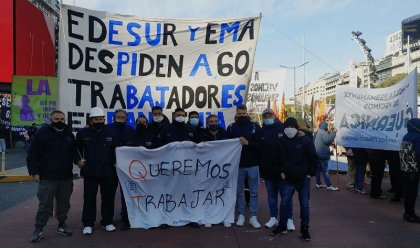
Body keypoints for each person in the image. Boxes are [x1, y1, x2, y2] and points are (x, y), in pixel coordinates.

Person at [27, 110, 76, 242]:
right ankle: (39, 228)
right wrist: (34, 172)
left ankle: (62, 224)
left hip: (66, 176)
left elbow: (74, 153)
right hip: (47, 177)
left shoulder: (69, 134)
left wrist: (79, 161)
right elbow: (32, 154)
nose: (60, 121)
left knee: (64, 204)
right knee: (44, 204)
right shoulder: (42, 133)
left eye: (62, 119)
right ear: (51, 120)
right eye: (56, 119)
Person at [271, 117, 319, 241]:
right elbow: (275, 159)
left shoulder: (305, 140)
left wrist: (310, 174)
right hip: (287, 179)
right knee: (284, 203)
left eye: (292, 127)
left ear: (296, 128)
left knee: (305, 205)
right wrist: (280, 172)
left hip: (303, 179)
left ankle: (304, 229)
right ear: (284, 128)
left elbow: (313, 157)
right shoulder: (280, 141)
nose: (290, 129)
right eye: (287, 127)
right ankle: (282, 226)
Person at [76, 107, 119, 235]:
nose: (99, 121)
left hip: (108, 171)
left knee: (108, 197)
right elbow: (76, 150)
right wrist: (78, 160)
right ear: (91, 120)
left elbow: (118, 150)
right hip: (90, 171)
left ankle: (107, 222)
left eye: (101, 119)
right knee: (89, 198)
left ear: (104, 119)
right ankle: (88, 223)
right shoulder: (83, 133)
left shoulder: (111, 132)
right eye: (96, 119)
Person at [227, 104, 263, 229]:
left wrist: (249, 143)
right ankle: (240, 215)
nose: (242, 115)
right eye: (240, 114)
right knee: (238, 192)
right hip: (237, 165)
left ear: (247, 113)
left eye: (244, 113)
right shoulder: (231, 128)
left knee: (254, 192)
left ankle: (253, 216)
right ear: (236, 113)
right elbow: (224, 146)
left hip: (253, 164)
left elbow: (261, 145)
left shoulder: (255, 126)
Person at [259, 109, 295, 231]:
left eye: (270, 115)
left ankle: (289, 219)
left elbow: (292, 142)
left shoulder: (282, 128)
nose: (268, 117)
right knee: (271, 196)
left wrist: (302, 133)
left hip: (283, 171)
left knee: (286, 196)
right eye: (265, 116)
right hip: (268, 170)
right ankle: (273, 217)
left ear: (274, 116)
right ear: (263, 118)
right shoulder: (261, 130)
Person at [107, 109, 136, 231]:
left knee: (126, 194)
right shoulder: (106, 129)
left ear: (126, 118)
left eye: (123, 117)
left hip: (125, 167)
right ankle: (107, 220)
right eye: (118, 117)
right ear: (113, 118)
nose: (120, 119)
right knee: (109, 194)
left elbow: (134, 147)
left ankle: (126, 219)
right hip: (110, 167)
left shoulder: (130, 130)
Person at [201, 114, 230, 228]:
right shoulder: (202, 133)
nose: (214, 123)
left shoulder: (224, 133)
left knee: (223, 192)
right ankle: (209, 217)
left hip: (222, 167)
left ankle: (224, 217)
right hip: (207, 167)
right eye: (211, 121)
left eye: (216, 121)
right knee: (208, 193)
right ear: (208, 123)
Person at [399, 118, 420, 223]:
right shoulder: (417, 137)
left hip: (405, 169)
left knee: (408, 192)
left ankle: (407, 212)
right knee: (412, 192)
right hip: (414, 169)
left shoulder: (406, 136)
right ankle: (410, 214)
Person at [313, 121, 339, 191]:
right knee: (325, 171)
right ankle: (329, 185)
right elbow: (327, 140)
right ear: (325, 127)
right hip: (323, 154)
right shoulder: (323, 133)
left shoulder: (317, 132)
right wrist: (334, 133)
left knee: (318, 170)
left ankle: (318, 183)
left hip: (317, 153)